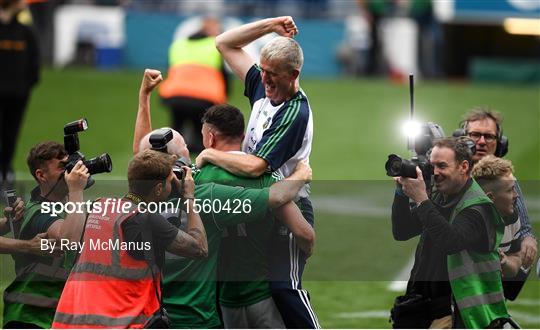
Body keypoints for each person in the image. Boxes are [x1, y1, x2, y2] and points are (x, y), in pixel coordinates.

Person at [134, 69, 314, 328]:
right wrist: (300, 174)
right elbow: (303, 233)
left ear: (209, 137)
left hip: (199, 305)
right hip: (254, 296)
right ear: (244, 136)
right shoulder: (260, 179)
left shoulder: (196, 180)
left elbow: (143, 154)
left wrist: (144, 98)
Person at [197, 16, 319, 328]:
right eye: (261, 70)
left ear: (293, 75)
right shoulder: (266, 86)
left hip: (287, 201)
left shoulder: (294, 112)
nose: (262, 79)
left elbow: (255, 167)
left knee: (283, 286)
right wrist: (271, 26)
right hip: (260, 198)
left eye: (271, 74)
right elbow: (224, 43)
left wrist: (209, 154)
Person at [52, 149, 208, 328]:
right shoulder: (147, 218)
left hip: (72, 321)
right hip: (118, 322)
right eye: (169, 181)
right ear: (158, 189)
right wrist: (189, 197)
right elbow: (200, 248)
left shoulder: (98, 206)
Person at [392, 137, 509, 329]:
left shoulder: (479, 207)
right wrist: (401, 194)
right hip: (425, 308)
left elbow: (451, 242)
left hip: (458, 314)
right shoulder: (440, 196)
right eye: (432, 166)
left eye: (442, 166)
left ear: (463, 167)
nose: (435, 173)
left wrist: (422, 199)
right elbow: (402, 231)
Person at [3, 141, 88, 329]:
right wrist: (76, 190)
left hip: (55, 316)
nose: (69, 173)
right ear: (41, 175)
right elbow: (68, 241)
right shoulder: (36, 212)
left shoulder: (71, 209)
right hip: (29, 318)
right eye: (62, 167)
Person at [458, 108, 537, 270]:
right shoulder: (449, 173)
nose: (481, 142)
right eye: (475, 135)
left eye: (488, 136)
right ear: (463, 138)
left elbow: (524, 227)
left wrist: (528, 239)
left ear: (500, 143)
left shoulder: (506, 178)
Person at [159, 16, 228, 153]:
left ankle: (168, 154)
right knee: (200, 132)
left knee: (176, 128)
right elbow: (224, 75)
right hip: (204, 97)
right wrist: (224, 97)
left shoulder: (179, 45)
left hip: (175, 95)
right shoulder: (214, 45)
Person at [0, 0, 40, 187]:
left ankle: (5, 173)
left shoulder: (25, 32)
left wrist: (25, 86)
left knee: (10, 136)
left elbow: (34, 65)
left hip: (17, 96)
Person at [471, 155, 522, 278]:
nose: (516, 196)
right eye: (510, 190)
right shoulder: (468, 224)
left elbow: (517, 258)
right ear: (490, 197)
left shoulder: (511, 216)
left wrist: (505, 262)